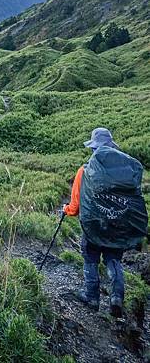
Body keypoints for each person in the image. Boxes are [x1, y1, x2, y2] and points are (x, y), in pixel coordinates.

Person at [64, 127, 148, 318]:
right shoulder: (126, 175)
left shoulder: (84, 171)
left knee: (91, 256)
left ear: (94, 148)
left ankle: (91, 297)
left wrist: (66, 210)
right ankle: (117, 298)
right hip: (119, 226)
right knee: (114, 258)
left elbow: (75, 206)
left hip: (94, 226)